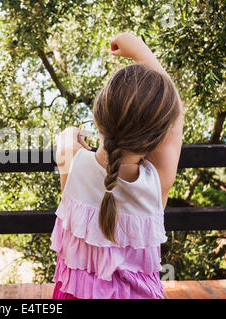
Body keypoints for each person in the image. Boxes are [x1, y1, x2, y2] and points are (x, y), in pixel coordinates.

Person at [51, 32, 184, 299]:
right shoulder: (158, 182)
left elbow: (65, 140)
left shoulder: (72, 159)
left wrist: (70, 132)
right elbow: (175, 115)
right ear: (156, 138)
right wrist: (140, 51)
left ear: (98, 113)